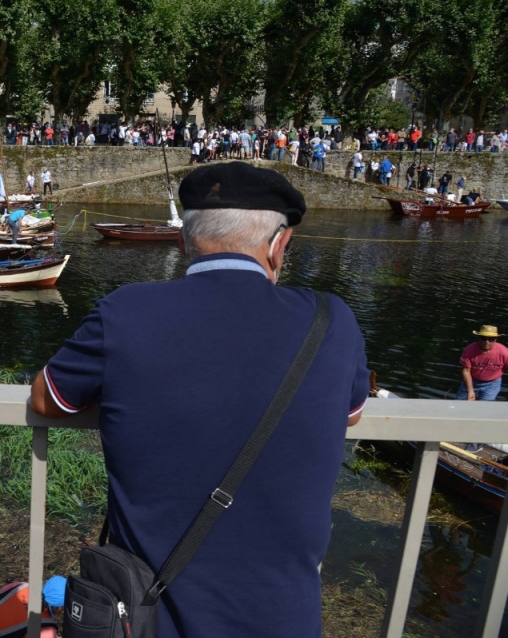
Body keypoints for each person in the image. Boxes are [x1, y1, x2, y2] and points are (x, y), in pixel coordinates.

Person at [30, 161, 369, 638]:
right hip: (282, 617)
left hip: (150, 613)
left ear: (182, 242)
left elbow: (49, 400)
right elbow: (351, 414)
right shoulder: (332, 321)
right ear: (279, 246)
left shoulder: (125, 312)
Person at [456, 325, 508, 401]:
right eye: (484, 338)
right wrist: (470, 391)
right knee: (459, 403)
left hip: (492, 384)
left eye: (491, 339)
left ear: (495, 339)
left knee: (485, 408)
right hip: (472, 380)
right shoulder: (469, 350)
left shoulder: (504, 352)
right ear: (479, 338)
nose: (487, 342)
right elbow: (466, 371)